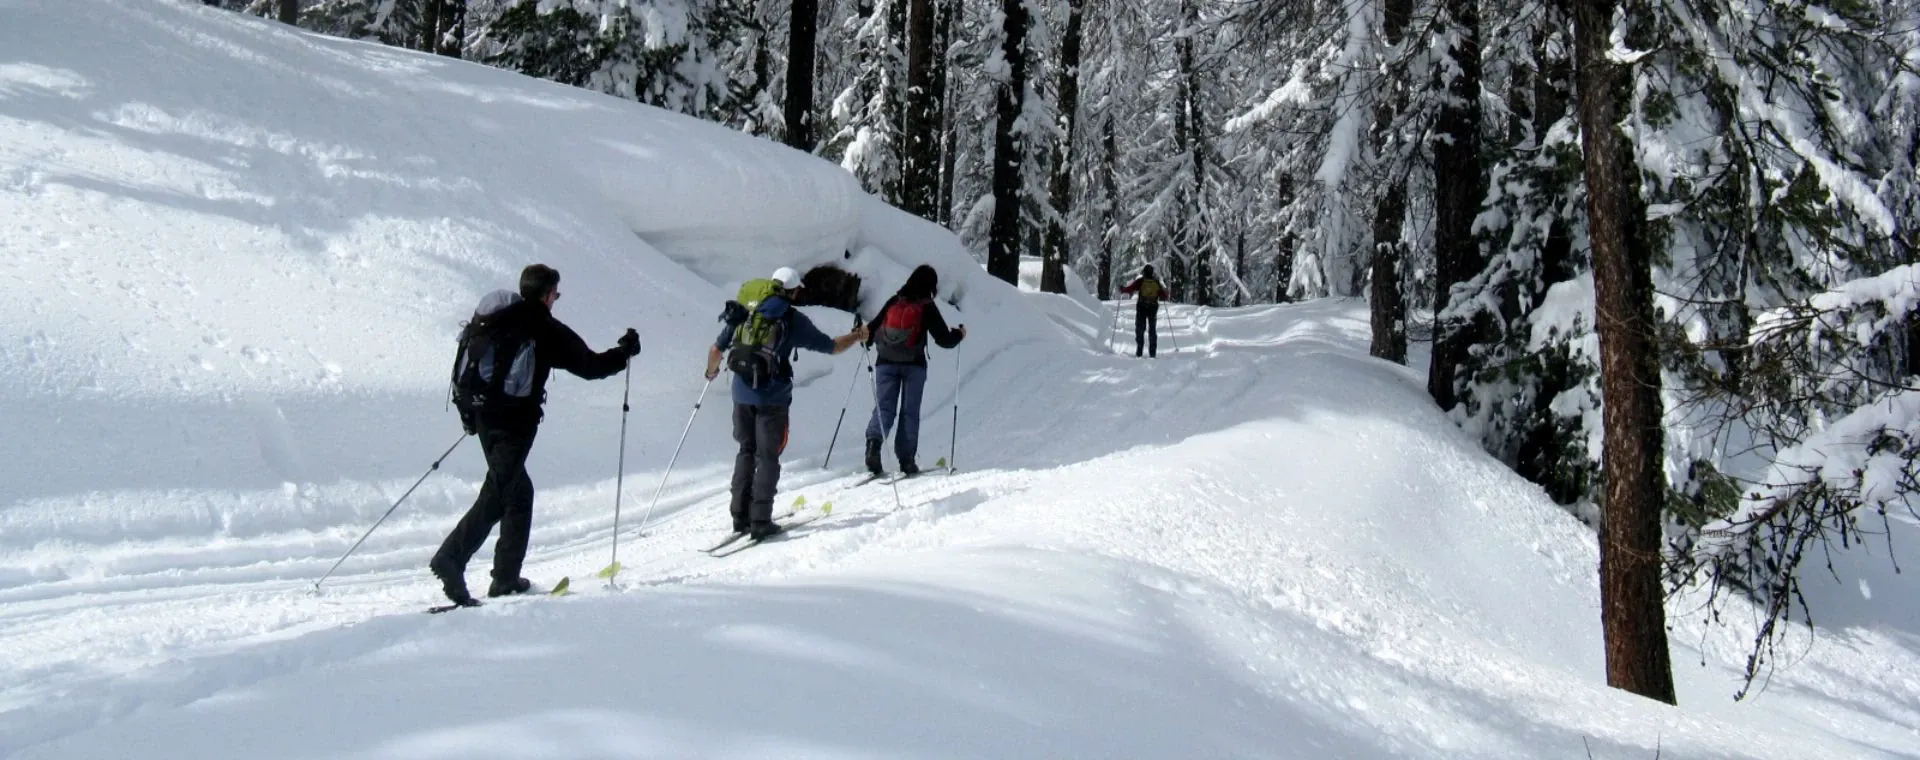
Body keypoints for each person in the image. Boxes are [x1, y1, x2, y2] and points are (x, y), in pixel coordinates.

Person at [431, 264, 640, 607]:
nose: (555, 300)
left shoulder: (495, 317)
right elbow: (591, 367)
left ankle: (506, 577)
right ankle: (450, 559)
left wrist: (470, 416)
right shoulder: (544, 327)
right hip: (514, 423)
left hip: (481, 416)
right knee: (499, 493)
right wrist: (625, 352)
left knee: (517, 492)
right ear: (546, 294)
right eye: (555, 294)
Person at [706, 266, 868, 540]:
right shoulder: (792, 319)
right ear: (793, 291)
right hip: (772, 399)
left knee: (746, 450)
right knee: (768, 456)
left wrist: (710, 373)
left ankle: (739, 516)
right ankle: (760, 521)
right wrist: (857, 336)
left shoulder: (744, 312)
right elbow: (832, 347)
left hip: (740, 394)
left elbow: (715, 350)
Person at [863, 265, 966, 476]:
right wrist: (959, 335)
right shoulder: (926, 306)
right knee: (909, 412)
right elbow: (944, 340)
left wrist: (864, 339)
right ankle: (906, 460)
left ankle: (873, 445)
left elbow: (871, 330)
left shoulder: (894, 301)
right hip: (914, 366)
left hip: (885, 362)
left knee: (884, 408)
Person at [1118, 265, 1167, 358]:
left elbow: (1130, 289)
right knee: (1152, 329)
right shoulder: (1156, 282)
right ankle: (1152, 353)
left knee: (1140, 329)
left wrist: (1122, 289)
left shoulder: (1140, 281)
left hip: (1142, 307)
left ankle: (1139, 351)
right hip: (1153, 308)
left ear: (1144, 272)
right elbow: (1163, 296)